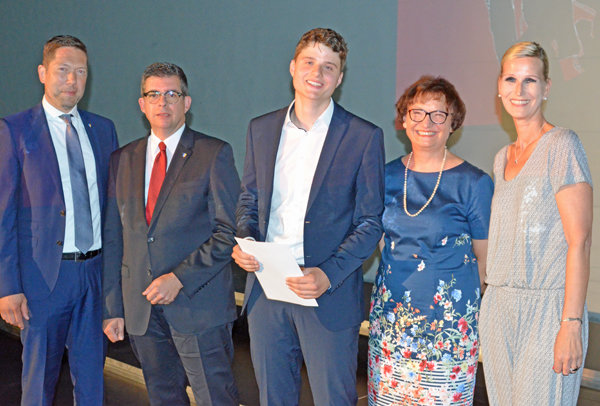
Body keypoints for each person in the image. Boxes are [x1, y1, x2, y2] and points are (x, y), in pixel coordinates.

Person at [232, 27, 385, 405]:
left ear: (340, 78)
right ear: (292, 67)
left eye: (329, 67)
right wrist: (246, 240)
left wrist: (327, 274)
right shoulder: (261, 129)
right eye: (309, 62)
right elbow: (250, 199)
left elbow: (370, 223)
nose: (317, 73)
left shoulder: (363, 136)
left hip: (327, 293)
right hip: (267, 289)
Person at [102, 62, 240, 405]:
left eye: (171, 94)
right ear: (142, 104)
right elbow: (115, 237)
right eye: (153, 94)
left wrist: (178, 278)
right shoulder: (122, 159)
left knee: (215, 398)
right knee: (163, 398)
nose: (162, 102)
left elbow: (228, 232)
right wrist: (113, 307)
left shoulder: (213, 154)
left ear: (186, 102)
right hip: (142, 310)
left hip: (199, 307)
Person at [0, 35, 118, 405]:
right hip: (44, 279)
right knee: (39, 382)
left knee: (92, 381)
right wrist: (7, 286)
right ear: (42, 73)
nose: (72, 79)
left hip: (94, 276)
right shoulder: (15, 130)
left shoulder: (103, 130)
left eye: (80, 72)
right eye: (63, 69)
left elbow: (112, 211)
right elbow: (3, 215)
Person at [368, 76, 493, 405]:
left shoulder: (474, 183)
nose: (427, 122)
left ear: (453, 123)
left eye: (439, 114)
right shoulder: (384, 176)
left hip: (447, 331)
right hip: (392, 322)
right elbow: (383, 243)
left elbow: (484, 262)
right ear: (404, 119)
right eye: (418, 112)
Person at [479, 41, 592, 405]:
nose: (520, 90)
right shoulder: (502, 158)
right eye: (511, 79)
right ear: (499, 87)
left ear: (546, 88)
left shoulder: (562, 145)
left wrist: (570, 323)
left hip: (547, 311)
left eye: (530, 80)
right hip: (499, 308)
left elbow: (579, 242)